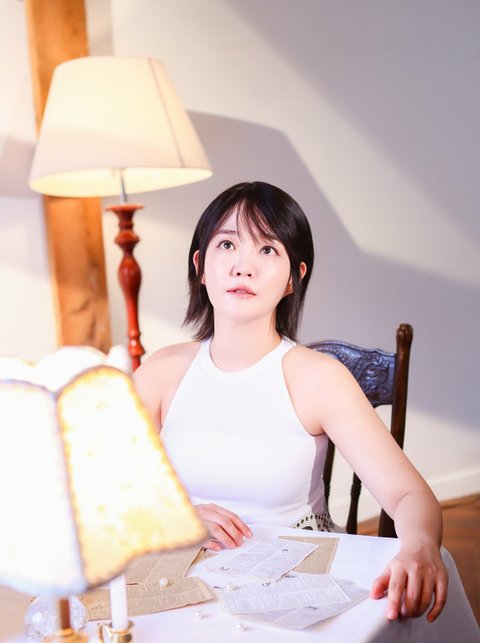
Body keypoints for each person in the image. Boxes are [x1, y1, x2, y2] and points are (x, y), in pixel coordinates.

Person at [134, 181, 448, 623]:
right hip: (181, 585)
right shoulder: (160, 373)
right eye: (227, 244)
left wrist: (420, 547)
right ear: (201, 266)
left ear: (293, 278)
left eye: (267, 249)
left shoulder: (318, 378)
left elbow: (410, 494)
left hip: (291, 587)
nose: (243, 267)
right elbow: (96, 494)